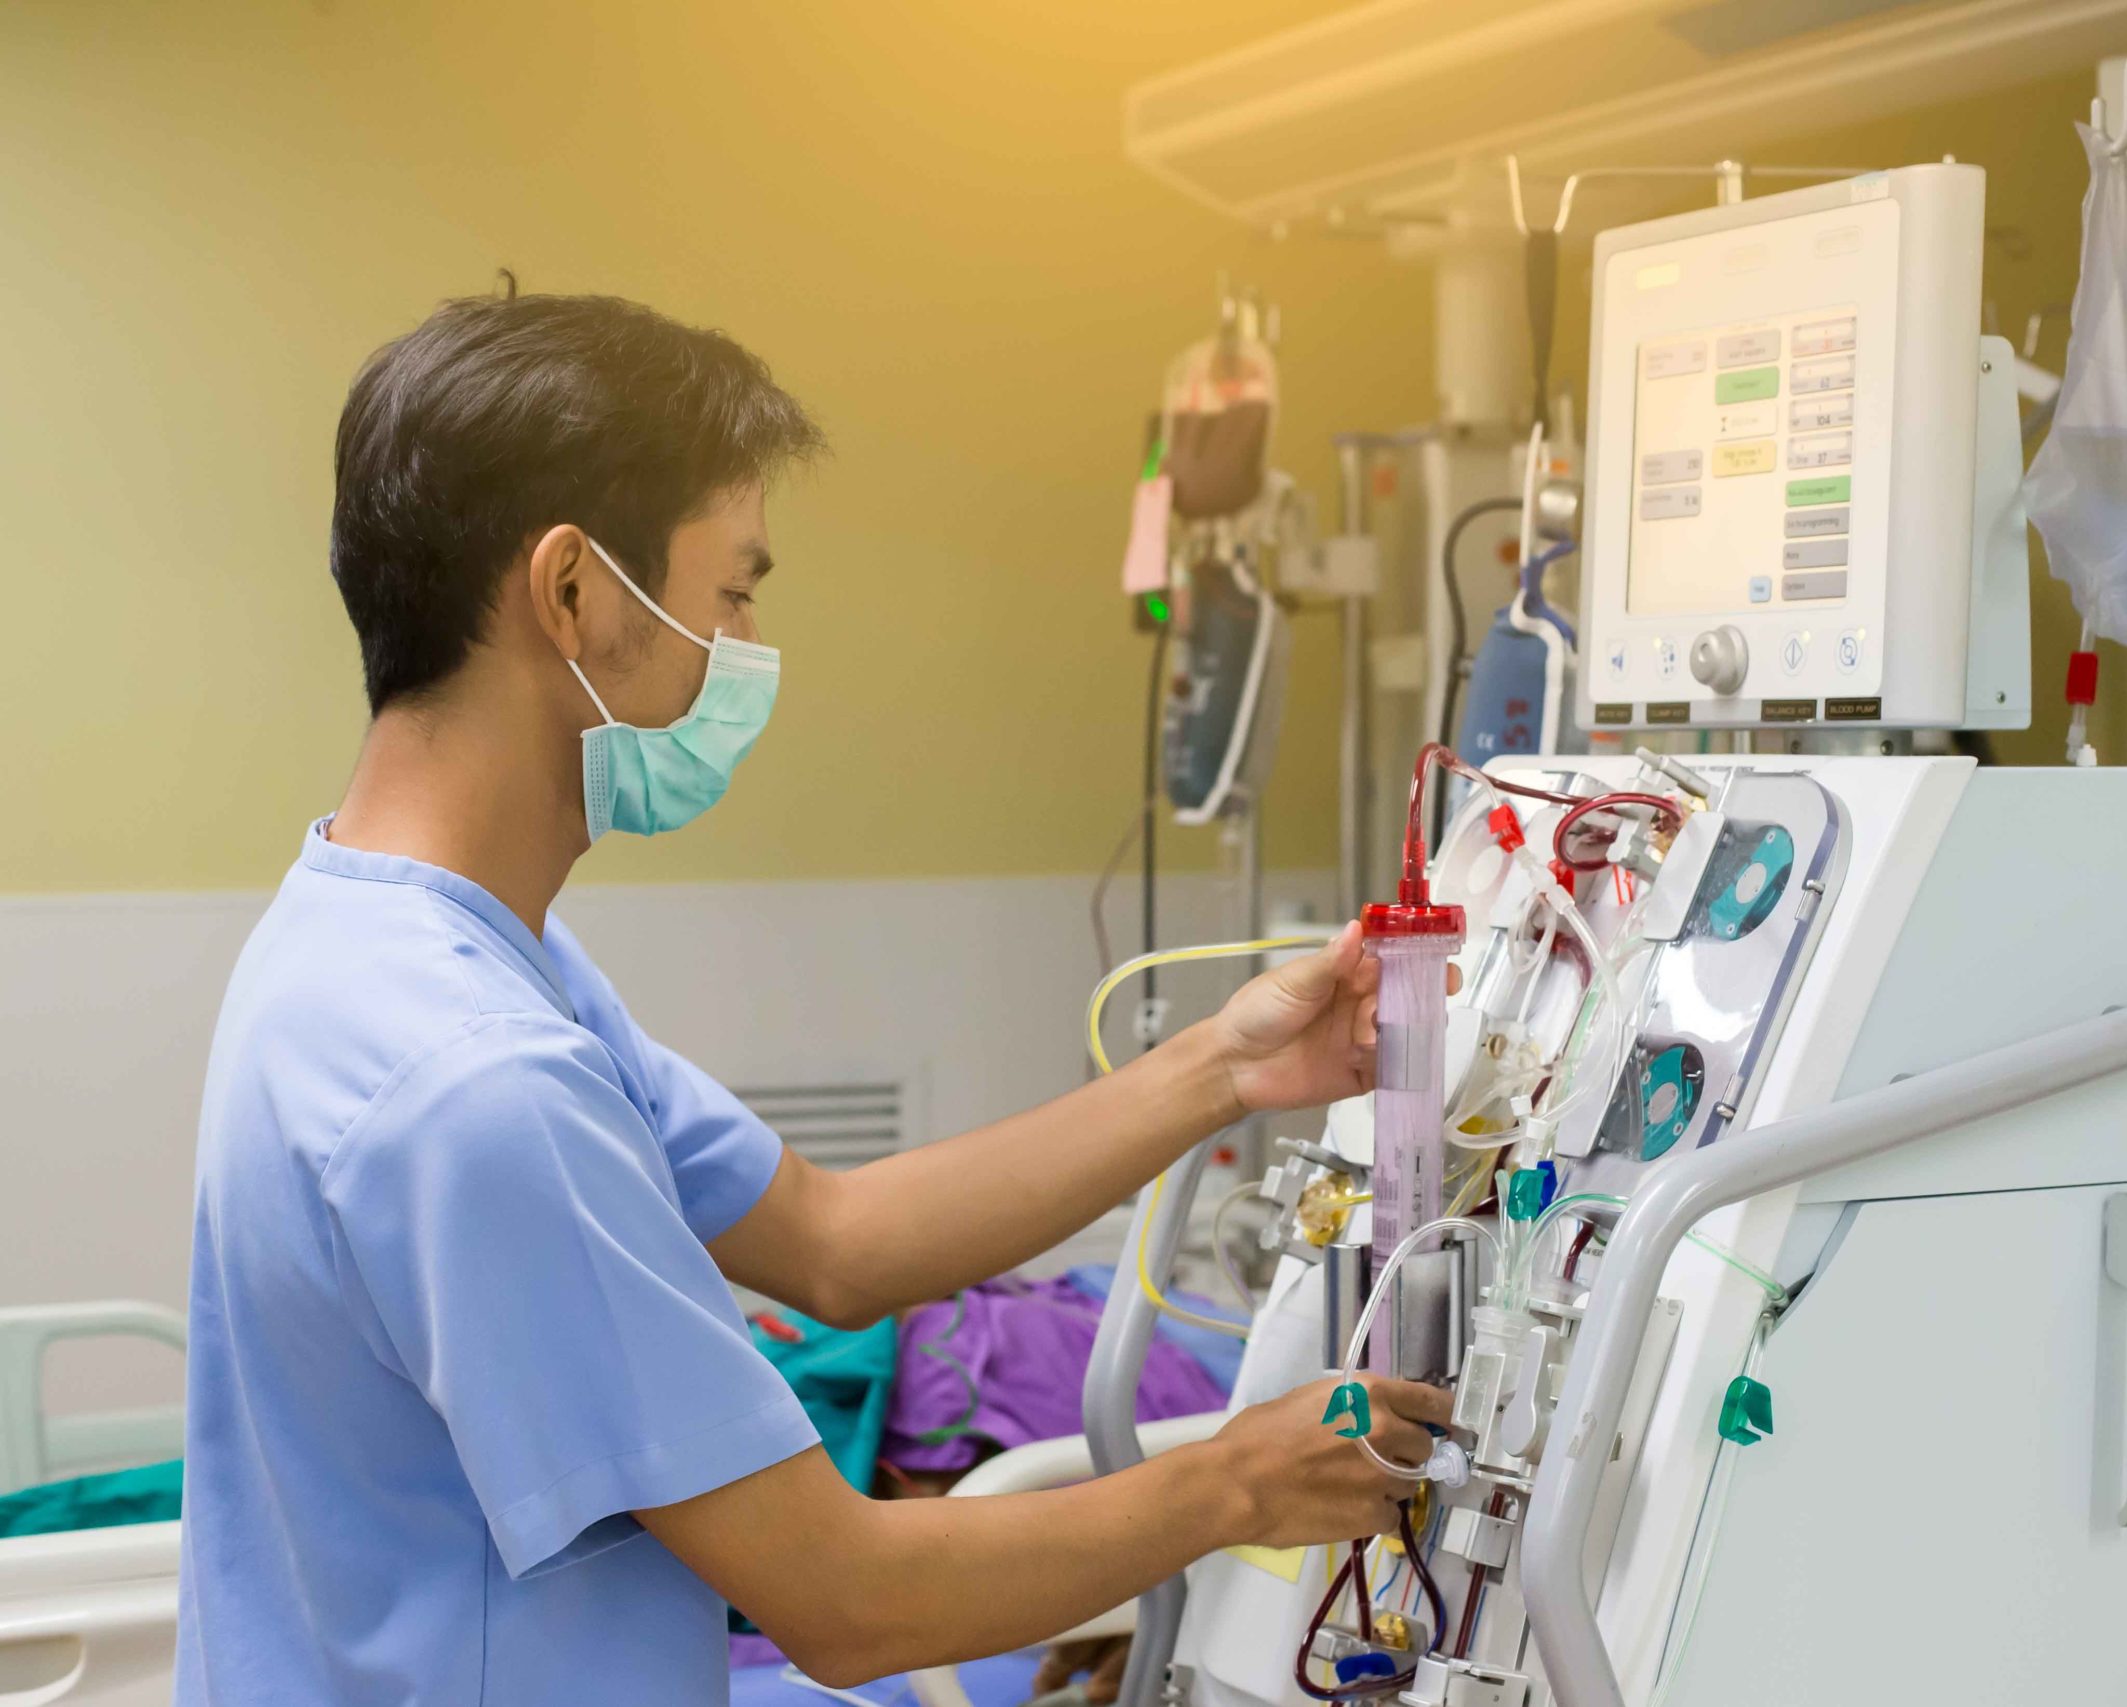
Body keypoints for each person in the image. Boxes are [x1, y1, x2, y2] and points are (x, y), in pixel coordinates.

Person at [180, 292, 1448, 1706]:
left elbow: (835, 1241)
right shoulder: (478, 1079)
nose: (742, 645)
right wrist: (1239, 1480)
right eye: (731, 593)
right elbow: (842, 1599)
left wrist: (1228, 1067)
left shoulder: (389, 941)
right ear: (574, 592)